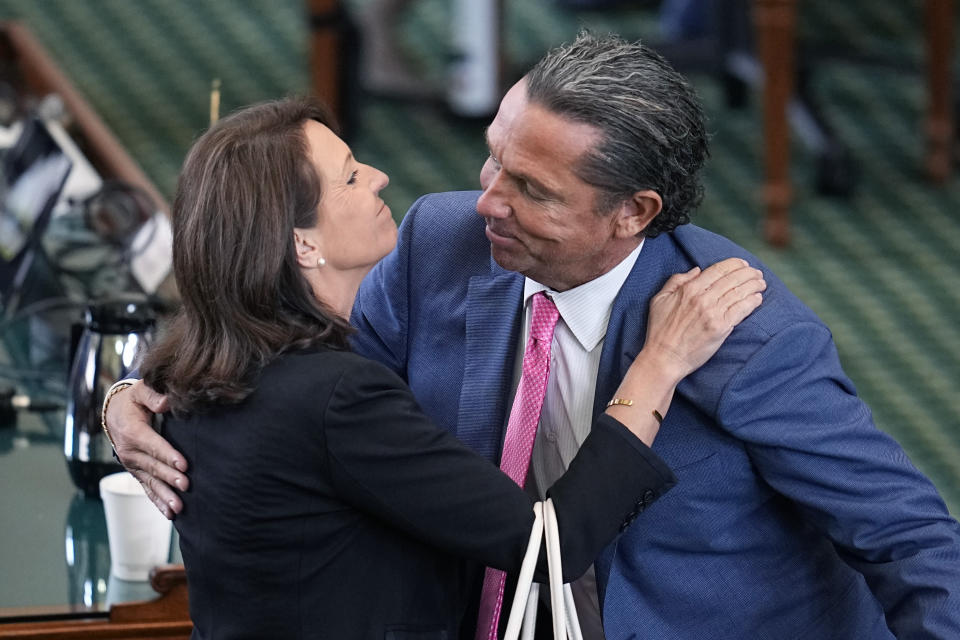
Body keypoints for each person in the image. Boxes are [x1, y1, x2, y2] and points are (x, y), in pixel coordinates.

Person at [106, 33, 960, 639]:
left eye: (531, 188)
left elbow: (911, 537)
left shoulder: (747, 337)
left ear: (634, 213)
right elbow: (293, 375)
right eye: (491, 159)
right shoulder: (439, 246)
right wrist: (137, 397)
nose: (486, 201)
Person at [123, 96, 764, 639]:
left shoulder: (196, 369)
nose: (377, 177)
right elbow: (551, 545)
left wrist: (118, 397)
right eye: (348, 177)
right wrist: (660, 363)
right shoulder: (334, 396)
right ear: (302, 243)